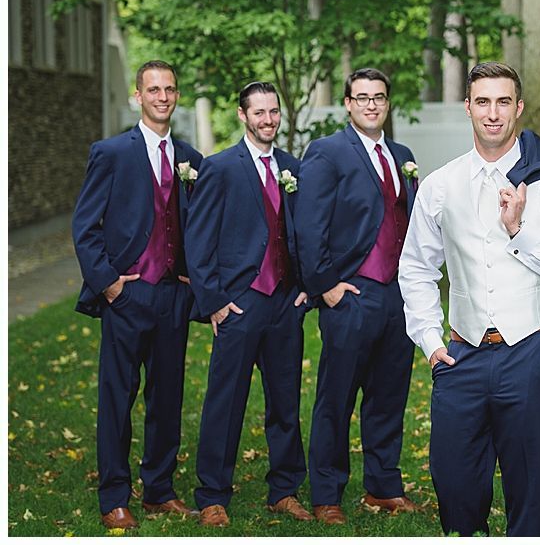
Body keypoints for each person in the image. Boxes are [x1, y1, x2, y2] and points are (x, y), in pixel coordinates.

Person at [398, 62, 540, 536]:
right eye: (484, 102)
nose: (493, 113)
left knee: (530, 491)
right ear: (468, 107)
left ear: (519, 108)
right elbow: (415, 268)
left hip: (533, 351)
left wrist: (521, 232)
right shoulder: (439, 184)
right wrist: (431, 342)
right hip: (462, 355)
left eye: (504, 102)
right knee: (453, 483)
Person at [72, 60, 202, 530]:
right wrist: (108, 283)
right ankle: (114, 496)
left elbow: (198, 227)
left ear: (177, 94)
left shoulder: (191, 158)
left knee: (166, 399)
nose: (162, 96)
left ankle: (160, 491)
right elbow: (85, 227)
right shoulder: (110, 153)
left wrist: (192, 277)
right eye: (153, 89)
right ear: (138, 95)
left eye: (169, 88)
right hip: (127, 297)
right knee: (118, 397)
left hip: (172, 298)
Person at [295, 68, 420, 525]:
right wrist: (326, 287)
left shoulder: (402, 155)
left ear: (388, 104)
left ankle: (382, 486)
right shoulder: (327, 153)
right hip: (351, 294)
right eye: (362, 97)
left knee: (389, 395)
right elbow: (308, 227)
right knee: (337, 397)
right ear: (348, 103)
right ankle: (327, 492)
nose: (371, 104)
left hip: (396, 297)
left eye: (379, 97)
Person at [184, 81, 312, 527]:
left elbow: (306, 234)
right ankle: (212, 495)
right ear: (242, 115)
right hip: (239, 303)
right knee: (226, 400)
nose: (268, 120)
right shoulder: (219, 167)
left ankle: (285, 489)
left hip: (283, 304)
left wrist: (306, 288)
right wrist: (215, 301)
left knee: (285, 402)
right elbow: (197, 240)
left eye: (274, 111)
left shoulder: (293, 167)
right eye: (259, 112)